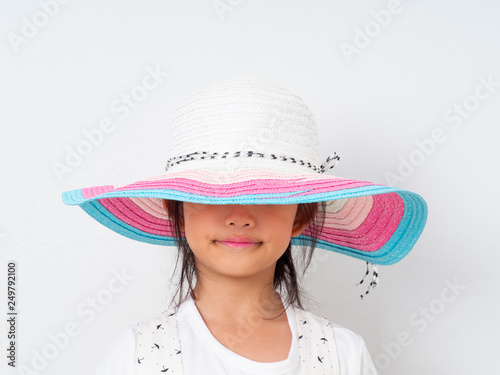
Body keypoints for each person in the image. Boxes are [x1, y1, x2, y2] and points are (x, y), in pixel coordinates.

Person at [62, 75, 428, 374]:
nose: (239, 215)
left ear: (300, 215)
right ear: (179, 212)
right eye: (209, 195)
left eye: (265, 194)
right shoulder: (137, 357)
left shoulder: (342, 356)